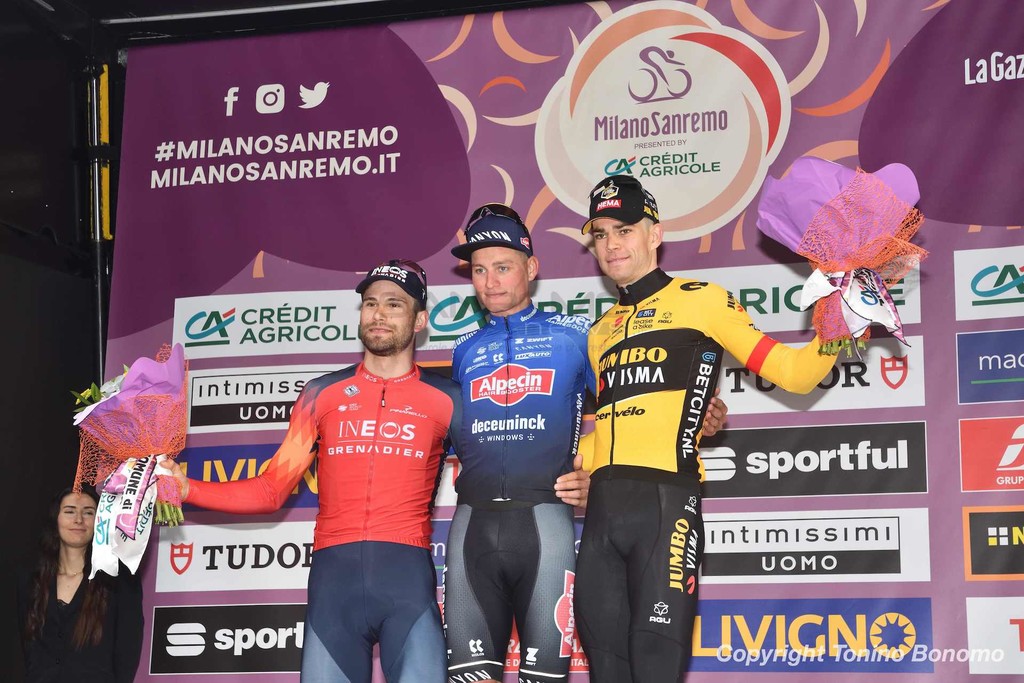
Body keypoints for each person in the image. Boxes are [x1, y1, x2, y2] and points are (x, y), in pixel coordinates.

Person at [443, 204, 727, 683]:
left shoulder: (577, 337)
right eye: (479, 270)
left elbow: (633, 408)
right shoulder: (463, 350)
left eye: (503, 267)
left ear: (532, 268)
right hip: (472, 522)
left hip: (546, 525)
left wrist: (700, 416)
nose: (490, 282)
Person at [574, 174, 840, 682]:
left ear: (655, 234)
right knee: (607, 671)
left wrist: (840, 322)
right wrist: (559, 463)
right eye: (601, 234)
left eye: (624, 230)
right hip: (602, 518)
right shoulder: (599, 331)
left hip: (667, 506)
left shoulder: (704, 300)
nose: (611, 244)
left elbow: (795, 374)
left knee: (656, 668)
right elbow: (612, 423)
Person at [161, 259, 461, 683]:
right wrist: (187, 488)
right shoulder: (321, 394)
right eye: (370, 303)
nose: (378, 313)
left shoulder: (448, 398)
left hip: (407, 581)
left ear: (419, 320)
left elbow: (491, 478)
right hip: (333, 586)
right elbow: (271, 489)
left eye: (394, 304)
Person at [17, 486, 143, 683]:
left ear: (100, 521)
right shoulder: (32, 580)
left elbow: (128, 650)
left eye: (88, 512)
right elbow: (27, 648)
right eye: (69, 511)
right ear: (55, 519)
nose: (78, 520)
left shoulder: (119, 580)